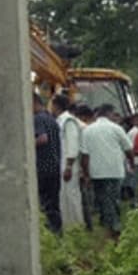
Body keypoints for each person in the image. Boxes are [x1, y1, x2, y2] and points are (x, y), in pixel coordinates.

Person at [79, 104, 134, 236]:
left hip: (96, 172)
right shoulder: (117, 129)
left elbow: (85, 156)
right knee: (113, 198)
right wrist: (131, 163)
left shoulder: (87, 130)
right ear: (109, 114)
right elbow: (129, 149)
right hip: (115, 170)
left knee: (102, 198)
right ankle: (113, 225)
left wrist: (86, 174)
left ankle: (107, 223)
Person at [51, 94, 84, 230]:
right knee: (64, 196)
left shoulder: (68, 121)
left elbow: (73, 144)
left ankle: (76, 226)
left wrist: (69, 166)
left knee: (71, 196)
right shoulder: (60, 120)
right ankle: (68, 226)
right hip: (63, 164)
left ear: (57, 105)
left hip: (68, 165)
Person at [32, 93, 62, 233]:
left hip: (43, 166)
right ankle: (57, 232)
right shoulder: (51, 119)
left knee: (45, 203)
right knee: (53, 202)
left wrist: (27, 145)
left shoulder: (38, 119)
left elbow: (43, 138)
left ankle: (51, 232)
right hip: (55, 165)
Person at [74, 104, 96, 230]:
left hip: (83, 167)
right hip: (89, 166)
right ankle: (89, 224)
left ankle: (88, 225)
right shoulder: (87, 128)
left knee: (84, 197)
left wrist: (84, 172)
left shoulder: (82, 128)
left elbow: (84, 152)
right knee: (86, 196)